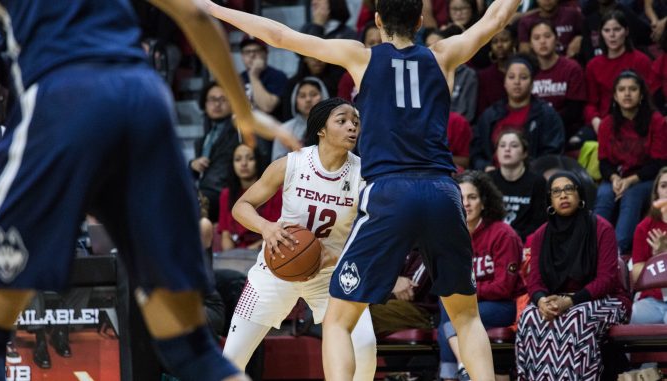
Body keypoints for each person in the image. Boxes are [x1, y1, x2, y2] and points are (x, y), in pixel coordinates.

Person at [200, 0, 527, 378]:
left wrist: (212, 6)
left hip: (389, 189)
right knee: (467, 317)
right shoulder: (445, 54)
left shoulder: (362, 56)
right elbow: (498, 16)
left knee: (338, 321)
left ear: (377, 20)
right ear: (421, 21)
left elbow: (278, 34)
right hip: (442, 190)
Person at [0, 1, 300, 381]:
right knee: (191, 351)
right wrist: (243, 109)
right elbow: (197, 15)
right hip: (143, 100)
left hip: (63, 97)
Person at [222, 98, 377, 380]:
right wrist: (266, 228)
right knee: (231, 358)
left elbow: (374, 231)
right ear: (321, 129)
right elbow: (241, 207)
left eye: (355, 121)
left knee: (365, 347)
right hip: (279, 265)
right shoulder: (291, 163)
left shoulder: (364, 173)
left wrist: (339, 254)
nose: (352, 127)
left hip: (331, 272)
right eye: (341, 121)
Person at [515, 171, 630, 380]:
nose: (563, 195)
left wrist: (571, 301)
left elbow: (607, 280)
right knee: (530, 317)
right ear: (549, 200)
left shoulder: (601, 228)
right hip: (558, 301)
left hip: (606, 300)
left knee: (575, 318)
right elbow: (535, 282)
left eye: (569, 189)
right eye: (556, 191)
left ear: (580, 194)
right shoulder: (541, 234)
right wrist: (541, 302)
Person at [439, 170, 522, 381]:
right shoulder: (450, 236)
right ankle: (464, 367)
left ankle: (459, 373)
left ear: (484, 202)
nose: (466, 203)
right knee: (447, 304)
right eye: (461, 198)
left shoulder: (504, 234)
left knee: (454, 312)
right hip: (469, 303)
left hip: (503, 306)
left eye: (472, 197)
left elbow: (504, 287)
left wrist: (465, 290)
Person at [594, 70, 667, 255]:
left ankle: (617, 251)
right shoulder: (607, 124)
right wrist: (615, 179)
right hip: (616, 178)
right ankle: (591, 246)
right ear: (615, 96)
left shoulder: (656, 121)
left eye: (633, 89)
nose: (627, 94)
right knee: (603, 194)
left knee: (632, 195)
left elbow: (658, 163)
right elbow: (603, 162)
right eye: (622, 89)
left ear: (641, 94)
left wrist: (630, 180)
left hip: (645, 179)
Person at [471, 54, 565, 171]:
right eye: (511, 77)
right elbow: (476, 152)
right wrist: (485, 167)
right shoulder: (490, 115)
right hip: (493, 177)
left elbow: (552, 154)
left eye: (523, 77)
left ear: (532, 83)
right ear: (504, 82)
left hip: (532, 180)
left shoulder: (546, 115)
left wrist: (530, 172)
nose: (517, 82)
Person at [583, 10, 653, 139]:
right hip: (604, 121)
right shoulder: (593, 65)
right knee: (575, 141)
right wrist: (595, 120)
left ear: (626, 31)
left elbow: (650, 98)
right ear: (601, 34)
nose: (612, 35)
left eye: (617, 29)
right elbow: (590, 104)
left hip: (636, 121)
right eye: (607, 30)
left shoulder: (641, 61)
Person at [529, 20, 586, 144]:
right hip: (532, 129)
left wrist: (549, 122)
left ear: (556, 39)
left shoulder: (572, 68)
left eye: (547, 36)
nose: (542, 41)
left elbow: (575, 111)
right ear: (531, 44)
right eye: (537, 38)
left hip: (566, 129)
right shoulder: (527, 71)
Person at [190, 81, 241, 219]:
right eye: (212, 99)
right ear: (204, 104)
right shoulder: (204, 138)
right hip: (204, 193)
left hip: (223, 194)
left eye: (223, 99)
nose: (217, 104)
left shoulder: (238, 133)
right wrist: (192, 165)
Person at [218, 143, 282, 251]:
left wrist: (247, 251)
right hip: (236, 256)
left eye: (250, 158)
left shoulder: (276, 192)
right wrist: (231, 256)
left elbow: (276, 230)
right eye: (238, 159)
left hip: (268, 250)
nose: (243, 163)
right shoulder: (226, 194)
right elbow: (226, 235)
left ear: (258, 161)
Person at [488, 130, 548, 241]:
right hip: (493, 240)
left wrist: (516, 237)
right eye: (502, 145)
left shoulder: (538, 182)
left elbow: (540, 223)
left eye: (514, 146)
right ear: (496, 152)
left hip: (527, 242)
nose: (507, 149)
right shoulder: (487, 180)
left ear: (524, 153)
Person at [630, 167, 667, 324]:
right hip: (651, 301)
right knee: (632, 316)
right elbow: (637, 276)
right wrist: (657, 257)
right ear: (657, 192)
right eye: (664, 186)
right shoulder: (644, 227)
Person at [273, 77, 329, 160]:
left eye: (313, 94)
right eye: (302, 96)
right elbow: (277, 164)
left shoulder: (334, 127)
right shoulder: (285, 129)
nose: (308, 99)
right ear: (295, 101)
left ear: (324, 97)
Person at [517, 0, 583, 57]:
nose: (547, 0)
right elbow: (524, 54)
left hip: (570, 62)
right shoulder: (526, 22)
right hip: (539, 67)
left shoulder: (573, 15)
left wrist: (580, 37)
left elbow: (586, 34)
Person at [477, 27, 517, 115]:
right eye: (495, 42)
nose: (499, 45)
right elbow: (482, 111)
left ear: (514, 43)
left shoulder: (522, 71)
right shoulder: (484, 76)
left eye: (505, 40)